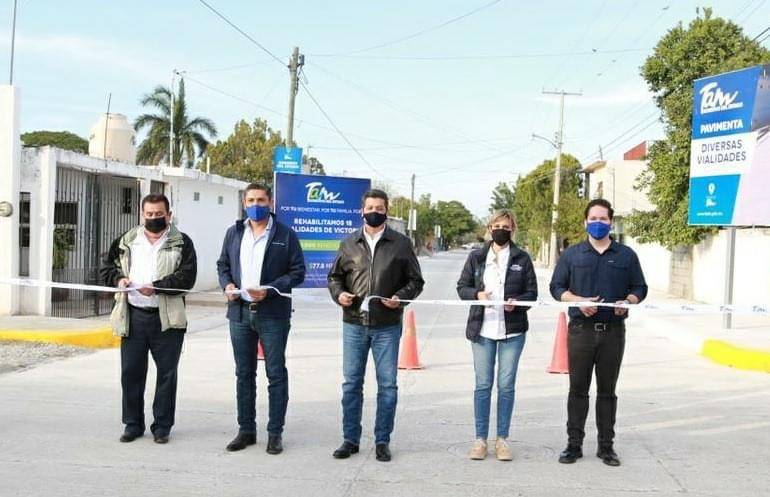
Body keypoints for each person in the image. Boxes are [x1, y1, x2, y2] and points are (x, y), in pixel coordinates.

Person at [327, 189, 424, 462]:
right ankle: (350, 439)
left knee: (388, 386)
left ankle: (382, 441)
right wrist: (339, 294)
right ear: (362, 210)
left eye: (379, 208)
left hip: (387, 326)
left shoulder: (401, 243)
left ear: (386, 211)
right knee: (351, 384)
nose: (374, 212)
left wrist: (400, 297)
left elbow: (416, 281)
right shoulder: (349, 243)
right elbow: (334, 277)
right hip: (354, 323)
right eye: (370, 207)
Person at [549, 198, 647, 466]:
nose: (598, 223)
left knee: (607, 392)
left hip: (612, 333)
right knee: (578, 391)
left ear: (611, 222)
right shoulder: (572, 254)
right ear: (585, 222)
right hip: (581, 332)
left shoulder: (626, 255)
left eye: (603, 219)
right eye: (593, 219)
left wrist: (628, 301)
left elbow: (640, 288)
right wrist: (577, 301)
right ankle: (573, 445)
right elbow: (556, 288)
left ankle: (606, 447)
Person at [216, 183, 305, 455]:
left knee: (275, 374)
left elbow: (298, 272)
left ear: (271, 203)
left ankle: (275, 433)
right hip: (240, 313)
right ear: (244, 203)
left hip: (272, 314)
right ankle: (246, 430)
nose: (256, 205)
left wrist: (271, 288)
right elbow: (223, 265)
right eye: (251, 200)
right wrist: (227, 285)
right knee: (244, 374)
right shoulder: (234, 233)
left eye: (261, 200)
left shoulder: (285, 235)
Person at [101, 193, 197, 444]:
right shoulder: (126, 241)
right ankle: (132, 424)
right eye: (149, 214)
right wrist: (119, 279)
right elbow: (107, 268)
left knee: (167, 374)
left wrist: (157, 287)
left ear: (169, 215)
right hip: (133, 316)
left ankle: (162, 426)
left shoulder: (181, 242)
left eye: (159, 214)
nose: (154, 218)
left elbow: (187, 278)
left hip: (166, 319)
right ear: (142, 214)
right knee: (130, 372)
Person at [456, 209, 538, 461]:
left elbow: (532, 294)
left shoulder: (522, 258)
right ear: (490, 228)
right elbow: (462, 287)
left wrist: (518, 302)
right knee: (483, 385)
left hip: (512, 331)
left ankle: (502, 439)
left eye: (506, 226)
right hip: (482, 330)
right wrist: (477, 295)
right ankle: (480, 439)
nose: (501, 230)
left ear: (513, 229)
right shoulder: (476, 257)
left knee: (506, 386)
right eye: (497, 226)